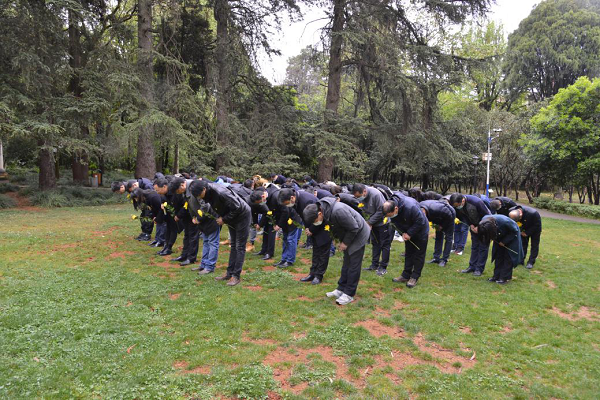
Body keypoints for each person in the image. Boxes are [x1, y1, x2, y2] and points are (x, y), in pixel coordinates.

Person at [303, 198, 370, 305]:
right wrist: (336, 238)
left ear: (319, 214)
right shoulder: (324, 208)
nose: (316, 223)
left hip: (359, 233)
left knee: (353, 264)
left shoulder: (338, 211)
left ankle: (349, 294)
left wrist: (345, 243)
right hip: (349, 232)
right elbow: (334, 225)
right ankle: (341, 289)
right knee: (346, 262)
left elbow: (354, 228)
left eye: (315, 221)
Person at [190, 180, 252, 286]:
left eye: (199, 195)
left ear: (204, 189)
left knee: (240, 247)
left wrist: (224, 219)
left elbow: (237, 207)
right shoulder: (208, 192)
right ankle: (229, 273)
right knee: (233, 245)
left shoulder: (221, 192)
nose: (199, 198)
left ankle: (236, 276)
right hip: (232, 217)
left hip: (242, 216)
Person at [280, 188, 331, 284]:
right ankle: (312, 273)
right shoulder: (296, 201)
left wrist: (311, 229)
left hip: (322, 226)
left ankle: (319, 275)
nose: (287, 206)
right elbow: (304, 217)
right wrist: (308, 228)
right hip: (312, 226)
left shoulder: (307, 201)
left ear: (292, 198)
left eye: (287, 203)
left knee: (323, 252)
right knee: (316, 251)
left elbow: (318, 217)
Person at [383, 192, 429, 288]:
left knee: (419, 254)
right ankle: (406, 275)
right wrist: (403, 233)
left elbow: (420, 221)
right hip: (407, 230)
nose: (390, 218)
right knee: (409, 253)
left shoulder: (410, 207)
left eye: (391, 215)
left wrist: (409, 233)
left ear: (396, 208)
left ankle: (414, 277)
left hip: (421, 230)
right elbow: (396, 223)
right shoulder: (392, 207)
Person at [351, 183, 390, 276]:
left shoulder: (376, 194)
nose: (358, 198)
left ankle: (383, 267)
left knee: (384, 245)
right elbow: (362, 209)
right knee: (375, 243)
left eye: (359, 196)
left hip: (383, 223)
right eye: (356, 197)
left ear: (364, 191)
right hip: (372, 223)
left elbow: (381, 210)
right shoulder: (361, 196)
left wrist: (370, 222)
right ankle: (374, 265)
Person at [450, 193, 491, 277]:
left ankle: (479, 269)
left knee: (483, 247)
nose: (457, 207)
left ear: (462, 200)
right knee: (474, 246)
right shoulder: (457, 206)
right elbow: (463, 216)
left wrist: (479, 227)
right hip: (473, 226)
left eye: (458, 205)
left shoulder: (476, 202)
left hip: (485, 225)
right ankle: (472, 266)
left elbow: (487, 216)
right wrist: (471, 225)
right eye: (455, 206)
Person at [475, 214, 524, 284]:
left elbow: (514, 231)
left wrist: (504, 241)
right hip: (498, 235)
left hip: (512, 235)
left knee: (508, 258)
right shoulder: (483, 222)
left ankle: (504, 278)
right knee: (498, 256)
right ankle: (496, 276)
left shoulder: (505, 222)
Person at [168, 177, 199, 267]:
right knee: (187, 235)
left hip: (195, 216)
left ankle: (191, 258)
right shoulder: (185, 189)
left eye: (178, 191)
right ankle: (184, 255)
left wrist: (197, 217)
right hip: (188, 215)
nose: (178, 193)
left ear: (182, 185)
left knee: (193, 237)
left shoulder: (193, 187)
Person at [188, 194, 221, 276]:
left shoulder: (195, 192)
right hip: (204, 223)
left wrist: (198, 218)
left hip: (211, 221)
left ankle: (210, 267)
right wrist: (193, 217)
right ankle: (203, 265)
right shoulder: (188, 194)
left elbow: (206, 205)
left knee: (213, 243)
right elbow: (190, 206)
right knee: (206, 242)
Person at [249, 185, 281, 261]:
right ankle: (263, 250)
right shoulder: (257, 198)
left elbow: (267, 212)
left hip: (274, 215)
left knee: (271, 233)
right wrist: (256, 223)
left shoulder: (273, 196)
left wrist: (260, 224)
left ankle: (270, 253)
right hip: (268, 215)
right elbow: (255, 212)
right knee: (266, 232)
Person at [420, 199, 455, 267]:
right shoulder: (419, 207)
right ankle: (436, 258)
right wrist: (436, 225)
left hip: (450, 215)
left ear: (425, 212)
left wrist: (442, 226)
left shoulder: (435, 209)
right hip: (438, 218)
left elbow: (450, 215)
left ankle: (444, 259)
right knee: (438, 237)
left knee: (448, 238)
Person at [154, 177, 177, 256]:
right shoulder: (163, 194)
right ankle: (166, 246)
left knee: (173, 229)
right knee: (168, 229)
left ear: (164, 186)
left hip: (175, 214)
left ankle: (169, 248)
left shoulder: (174, 192)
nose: (157, 192)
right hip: (168, 214)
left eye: (158, 190)